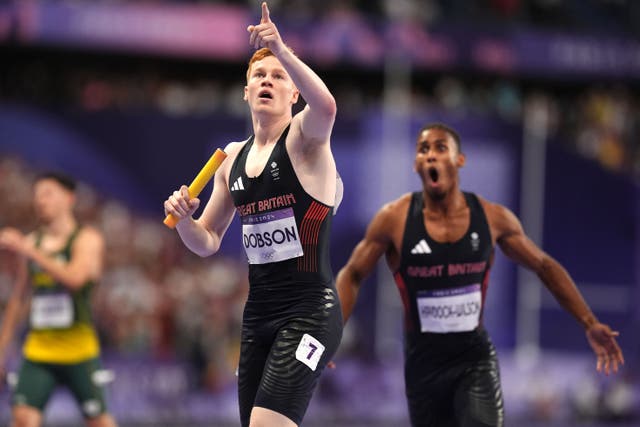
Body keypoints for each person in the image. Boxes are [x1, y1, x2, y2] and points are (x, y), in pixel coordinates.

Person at [335, 123, 625, 427]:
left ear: (460, 160)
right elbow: (353, 273)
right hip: (423, 365)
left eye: (440, 148)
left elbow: (544, 266)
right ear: (416, 164)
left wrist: (589, 322)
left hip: (473, 359)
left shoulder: (491, 218)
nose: (431, 156)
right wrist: (334, 334)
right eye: (423, 150)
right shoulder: (393, 219)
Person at [163, 3, 342, 426]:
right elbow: (207, 241)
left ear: (293, 93)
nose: (268, 80)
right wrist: (187, 221)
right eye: (258, 75)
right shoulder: (230, 160)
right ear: (245, 92)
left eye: (278, 76)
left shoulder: (304, 141)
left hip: (310, 312)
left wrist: (280, 49)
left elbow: (328, 107)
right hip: (258, 317)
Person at [0, 171, 117, 427]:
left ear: (69, 198)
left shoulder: (87, 240)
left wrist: (30, 252)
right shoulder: (32, 243)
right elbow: (20, 298)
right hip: (39, 350)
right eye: (37, 195)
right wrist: (2, 349)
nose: (40, 201)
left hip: (80, 350)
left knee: (100, 422)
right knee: (22, 419)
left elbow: (75, 278)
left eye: (48, 194)